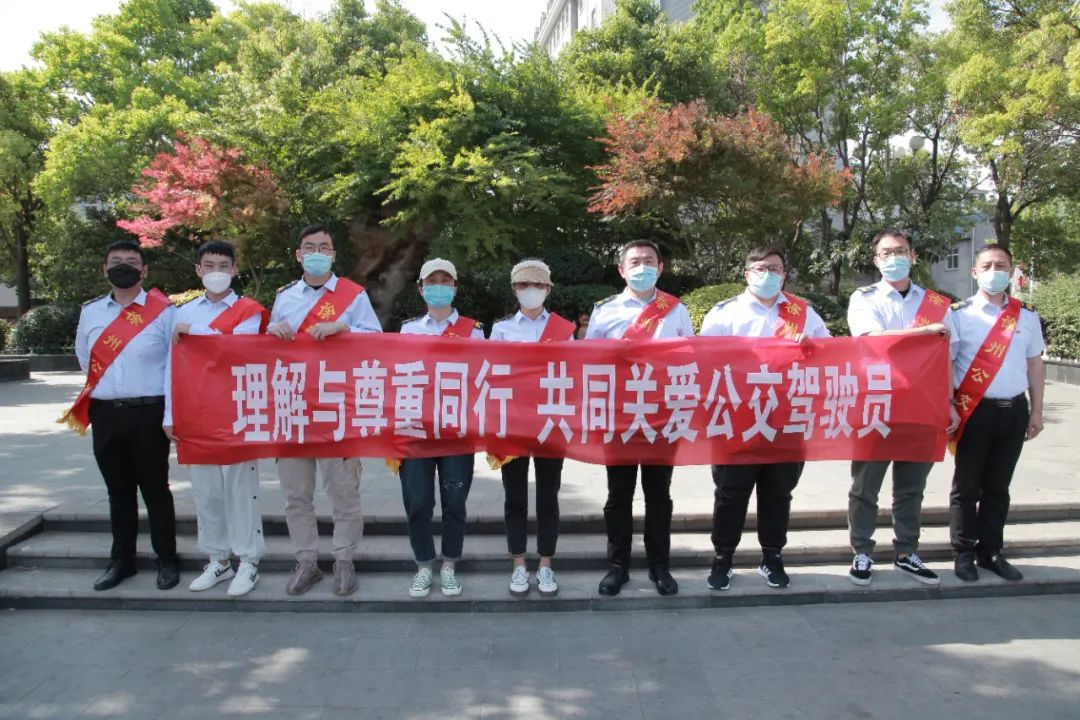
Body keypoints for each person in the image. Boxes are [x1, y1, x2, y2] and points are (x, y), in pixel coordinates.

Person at [699, 247, 830, 590]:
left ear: (784, 274)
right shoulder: (725, 313)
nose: (768, 274)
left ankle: (772, 557)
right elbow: (704, 361)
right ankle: (723, 558)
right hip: (737, 418)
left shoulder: (804, 314)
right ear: (746, 274)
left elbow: (831, 356)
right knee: (731, 492)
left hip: (787, 417)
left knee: (778, 492)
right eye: (761, 268)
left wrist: (812, 347)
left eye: (775, 268)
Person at [266, 224, 382, 596]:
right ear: (299, 254)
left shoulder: (353, 295)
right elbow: (267, 349)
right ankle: (306, 562)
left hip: (337, 405)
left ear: (333, 254)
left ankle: (344, 560)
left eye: (324, 247)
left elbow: (378, 342)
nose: (317, 253)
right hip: (294, 407)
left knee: (344, 491)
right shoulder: (284, 297)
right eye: (310, 247)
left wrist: (343, 327)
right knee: (296, 494)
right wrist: (272, 331)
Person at [844, 229, 961, 586]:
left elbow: (947, 357)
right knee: (865, 486)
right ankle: (862, 551)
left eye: (901, 251)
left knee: (911, 487)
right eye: (886, 252)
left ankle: (907, 551)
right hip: (876, 402)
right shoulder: (864, 298)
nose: (893, 257)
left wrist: (950, 402)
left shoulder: (937, 304)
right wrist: (924, 334)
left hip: (923, 406)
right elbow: (872, 342)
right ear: (876, 260)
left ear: (913, 256)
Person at [66, 240, 179, 591]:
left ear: (144, 270)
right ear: (105, 269)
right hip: (106, 414)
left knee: (156, 491)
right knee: (118, 493)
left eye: (131, 261)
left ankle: (167, 560)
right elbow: (85, 358)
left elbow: (175, 366)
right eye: (116, 261)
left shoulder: (164, 312)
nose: (123, 266)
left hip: (149, 413)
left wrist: (171, 415)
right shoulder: (91, 312)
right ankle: (122, 561)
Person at [585, 239, 693, 597]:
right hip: (619, 416)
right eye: (634, 262)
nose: (642, 267)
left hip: (662, 414)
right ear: (622, 269)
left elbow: (691, 357)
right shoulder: (605, 311)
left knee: (658, 494)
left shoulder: (676, 310)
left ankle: (659, 566)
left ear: (660, 268)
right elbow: (590, 362)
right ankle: (618, 566)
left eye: (649, 261)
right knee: (618, 495)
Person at [163, 240, 269, 597]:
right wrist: (170, 413)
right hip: (196, 411)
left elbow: (237, 350)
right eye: (209, 266)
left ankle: (249, 561)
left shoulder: (248, 311)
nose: (217, 272)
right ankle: (218, 560)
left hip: (238, 408)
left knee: (240, 490)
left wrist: (195, 333)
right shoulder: (183, 313)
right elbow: (171, 366)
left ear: (235, 270)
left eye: (224, 266)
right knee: (206, 491)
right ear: (198, 270)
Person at [946, 244, 1045, 582]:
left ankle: (990, 551)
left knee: (998, 486)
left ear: (1011, 271)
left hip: (1014, 411)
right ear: (974, 272)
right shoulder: (958, 314)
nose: (994, 271)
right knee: (967, 486)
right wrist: (948, 405)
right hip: (974, 411)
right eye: (987, 265)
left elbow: (1034, 364)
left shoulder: (1026, 316)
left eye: (1001, 265)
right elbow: (946, 365)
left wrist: (1037, 411)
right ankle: (963, 552)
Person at [398, 258, 485, 599]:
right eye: (431, 281)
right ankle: (423, 565)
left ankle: (449, 565)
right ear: (421, 289)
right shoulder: (408, 331)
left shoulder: (473, 331)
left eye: (445, 280)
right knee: (418, 501)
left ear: (455, 287)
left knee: (454, 501)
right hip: (416, 429)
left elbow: (482, 377)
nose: (438, 286)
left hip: (456, 428)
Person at [489, 259, 576, 597]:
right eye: (524, 285)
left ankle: (546, 564)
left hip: (551, 421)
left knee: (548, 496)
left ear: (548, 289)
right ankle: (518, 563)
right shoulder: (501, 330)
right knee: (514, 496)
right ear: (514, 289)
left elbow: (573, 375)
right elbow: (492, 375)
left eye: (538, 285)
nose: (531, 291)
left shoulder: (564, 330)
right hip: (513, 423)